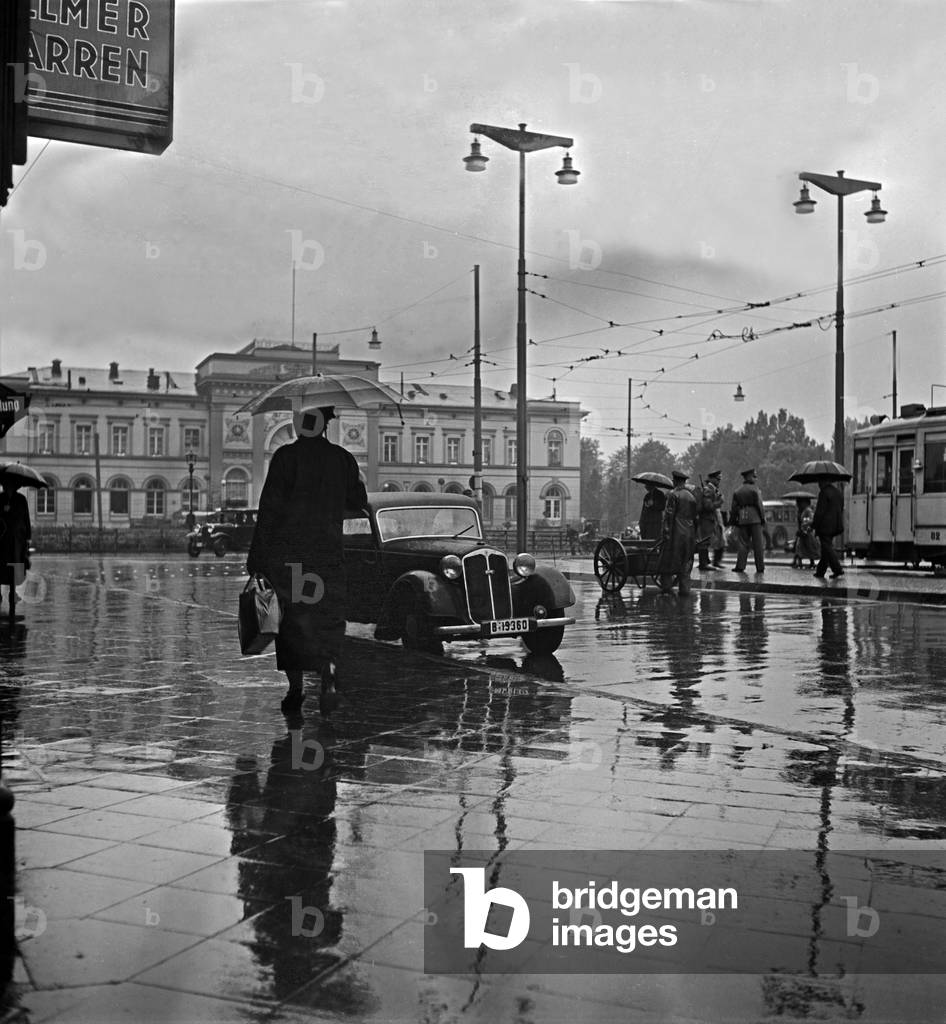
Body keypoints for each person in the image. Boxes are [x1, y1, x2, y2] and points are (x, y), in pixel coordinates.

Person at [246, 405, 368, 715]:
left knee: (294, 621)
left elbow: (269, 510)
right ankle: (328, 677)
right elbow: (358, 501)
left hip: (291, 558)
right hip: (328, 555)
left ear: (300, 424)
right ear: (326, 426)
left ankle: (296, 688)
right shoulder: (342, 459)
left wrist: (257, 557)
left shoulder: (286, 458)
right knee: (327, 618)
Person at [657, 470, 697, 595]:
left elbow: (668, 516)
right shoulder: (691, 496)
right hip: (689, 534)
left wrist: (665, 534)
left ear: (675, 481)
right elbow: (695, 517)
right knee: (686, 564)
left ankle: (667, 589)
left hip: (676, 534)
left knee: (667, 562)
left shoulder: (672, 495)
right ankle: (685, 590)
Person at [0, 477, 31, 622]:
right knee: (1, 565)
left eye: (9, 485)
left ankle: (13, 592)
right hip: (2, 539)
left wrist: (28, 536)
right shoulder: (0, 499)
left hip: (17, 539)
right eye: (5, 485)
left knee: (15, 564)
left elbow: (26, 518)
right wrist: (3, 511)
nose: (7, 487)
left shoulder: (21, 499)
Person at [730, 468, 766, 574]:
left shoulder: (737, 491)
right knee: (758, 544)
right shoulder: (755, 489)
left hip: (742, 518)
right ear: (749, 477)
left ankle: (740, 566)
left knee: (743, 543)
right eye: (754, 476)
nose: (755, 478)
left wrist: (733, 521)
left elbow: (734, 508)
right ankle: (760, 567)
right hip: (755, 518)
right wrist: (763, 518)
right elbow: (760, 505)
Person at [812, 476, 845, 579]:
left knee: (827, 547)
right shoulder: (838, 492)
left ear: (824, 481)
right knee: (826, 548)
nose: (818, 484)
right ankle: (820, 571)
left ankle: (837, 569)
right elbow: (841, 508)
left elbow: (820, 512)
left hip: (825, 526)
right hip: (835, 524)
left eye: (819, 481)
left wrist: (815, 525)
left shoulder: (824, 493)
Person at [695, 470, 725, 571]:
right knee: (704, 541)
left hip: (711, 519)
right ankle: (703, 564)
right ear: (712, 479)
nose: (719, 481)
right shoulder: (708, 489)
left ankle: (709, 562)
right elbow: (707, 506)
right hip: (706, 519)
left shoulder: (713, 489)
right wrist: (719, 502)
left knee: (712, 540)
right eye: (717, 479)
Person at [791, 496, 820, 569]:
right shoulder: (801, 511)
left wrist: (805, 524)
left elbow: (811, 520)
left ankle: (809, 562)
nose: (798, 504)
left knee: (808, 548)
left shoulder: (808, 510)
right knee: (800, 547)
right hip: (802, 532)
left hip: (807, 532)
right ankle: (798, 562)